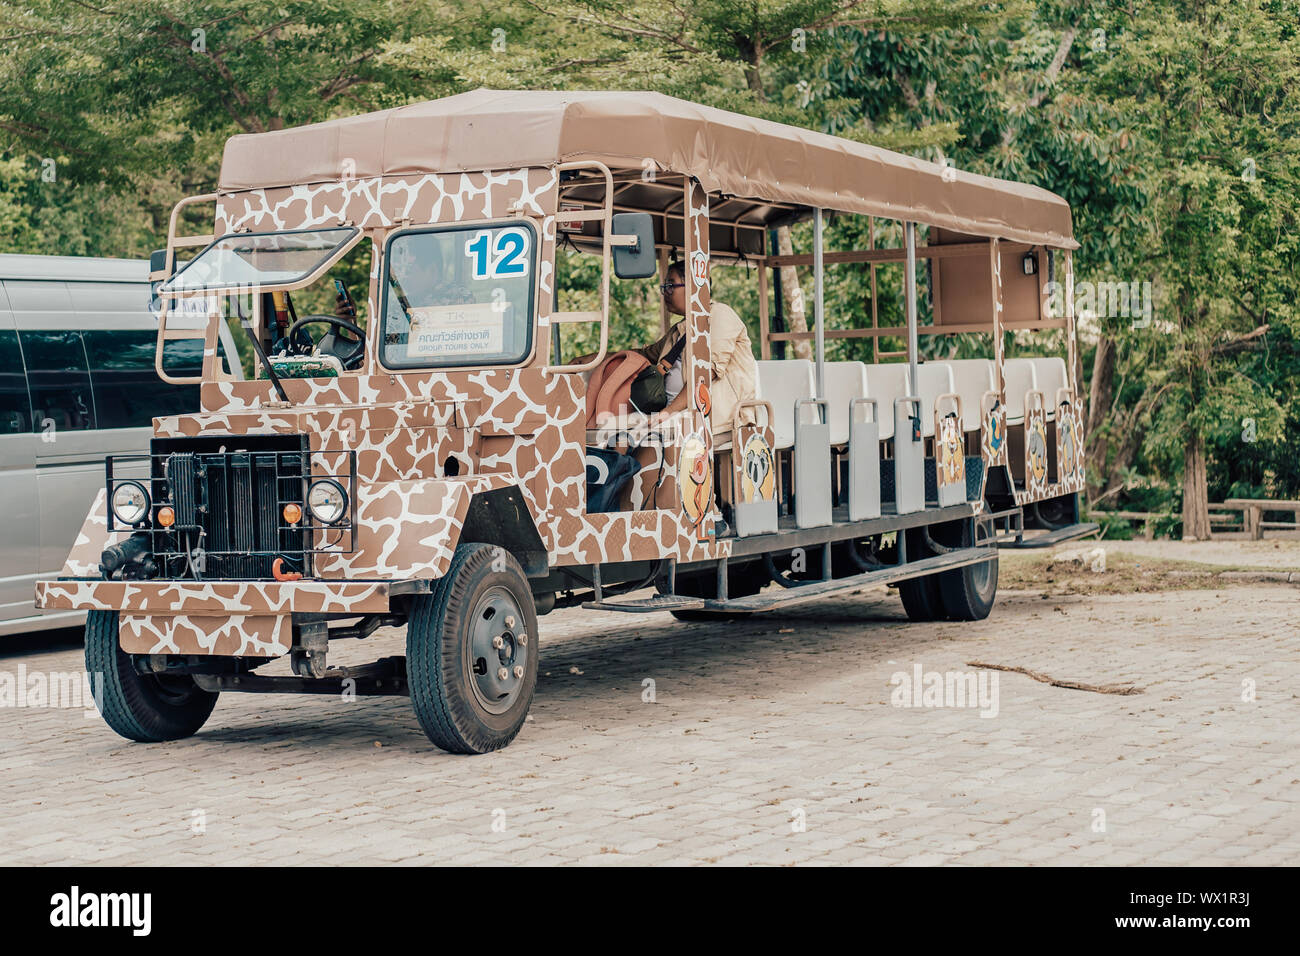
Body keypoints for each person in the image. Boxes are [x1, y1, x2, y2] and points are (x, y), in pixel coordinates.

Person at [636, 260, 756, 437]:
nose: (665, 293)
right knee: (616, 429)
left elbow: (705, 373)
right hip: (680, 416)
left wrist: (667, 413)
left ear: (693, 287)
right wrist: (592, 359)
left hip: (719, 419)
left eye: (670, 285)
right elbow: (645, 354)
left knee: (644, 435)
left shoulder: (721, 314)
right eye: (665, 287)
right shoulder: (679, 330)